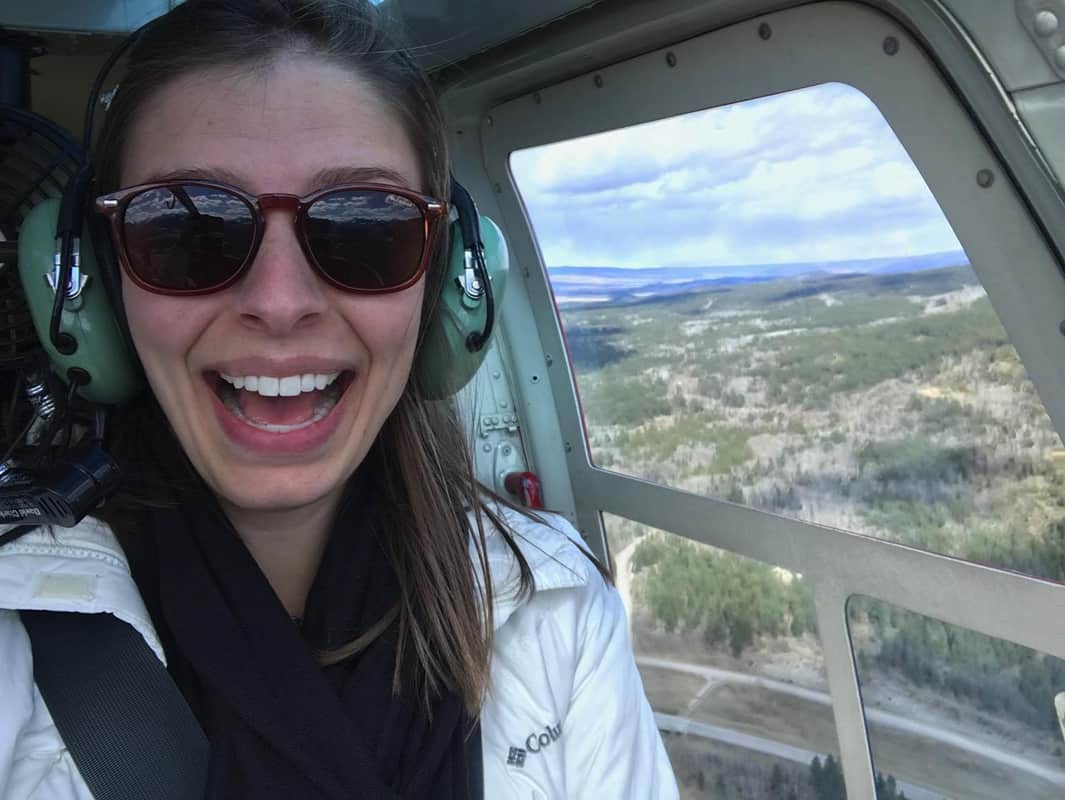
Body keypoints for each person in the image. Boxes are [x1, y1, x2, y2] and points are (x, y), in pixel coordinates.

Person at [0, 1, 678, 797]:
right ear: (93, 286)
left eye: (366, 230)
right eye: (186, 231)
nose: (280, 302)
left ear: (445, 285)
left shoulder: (556, 611)